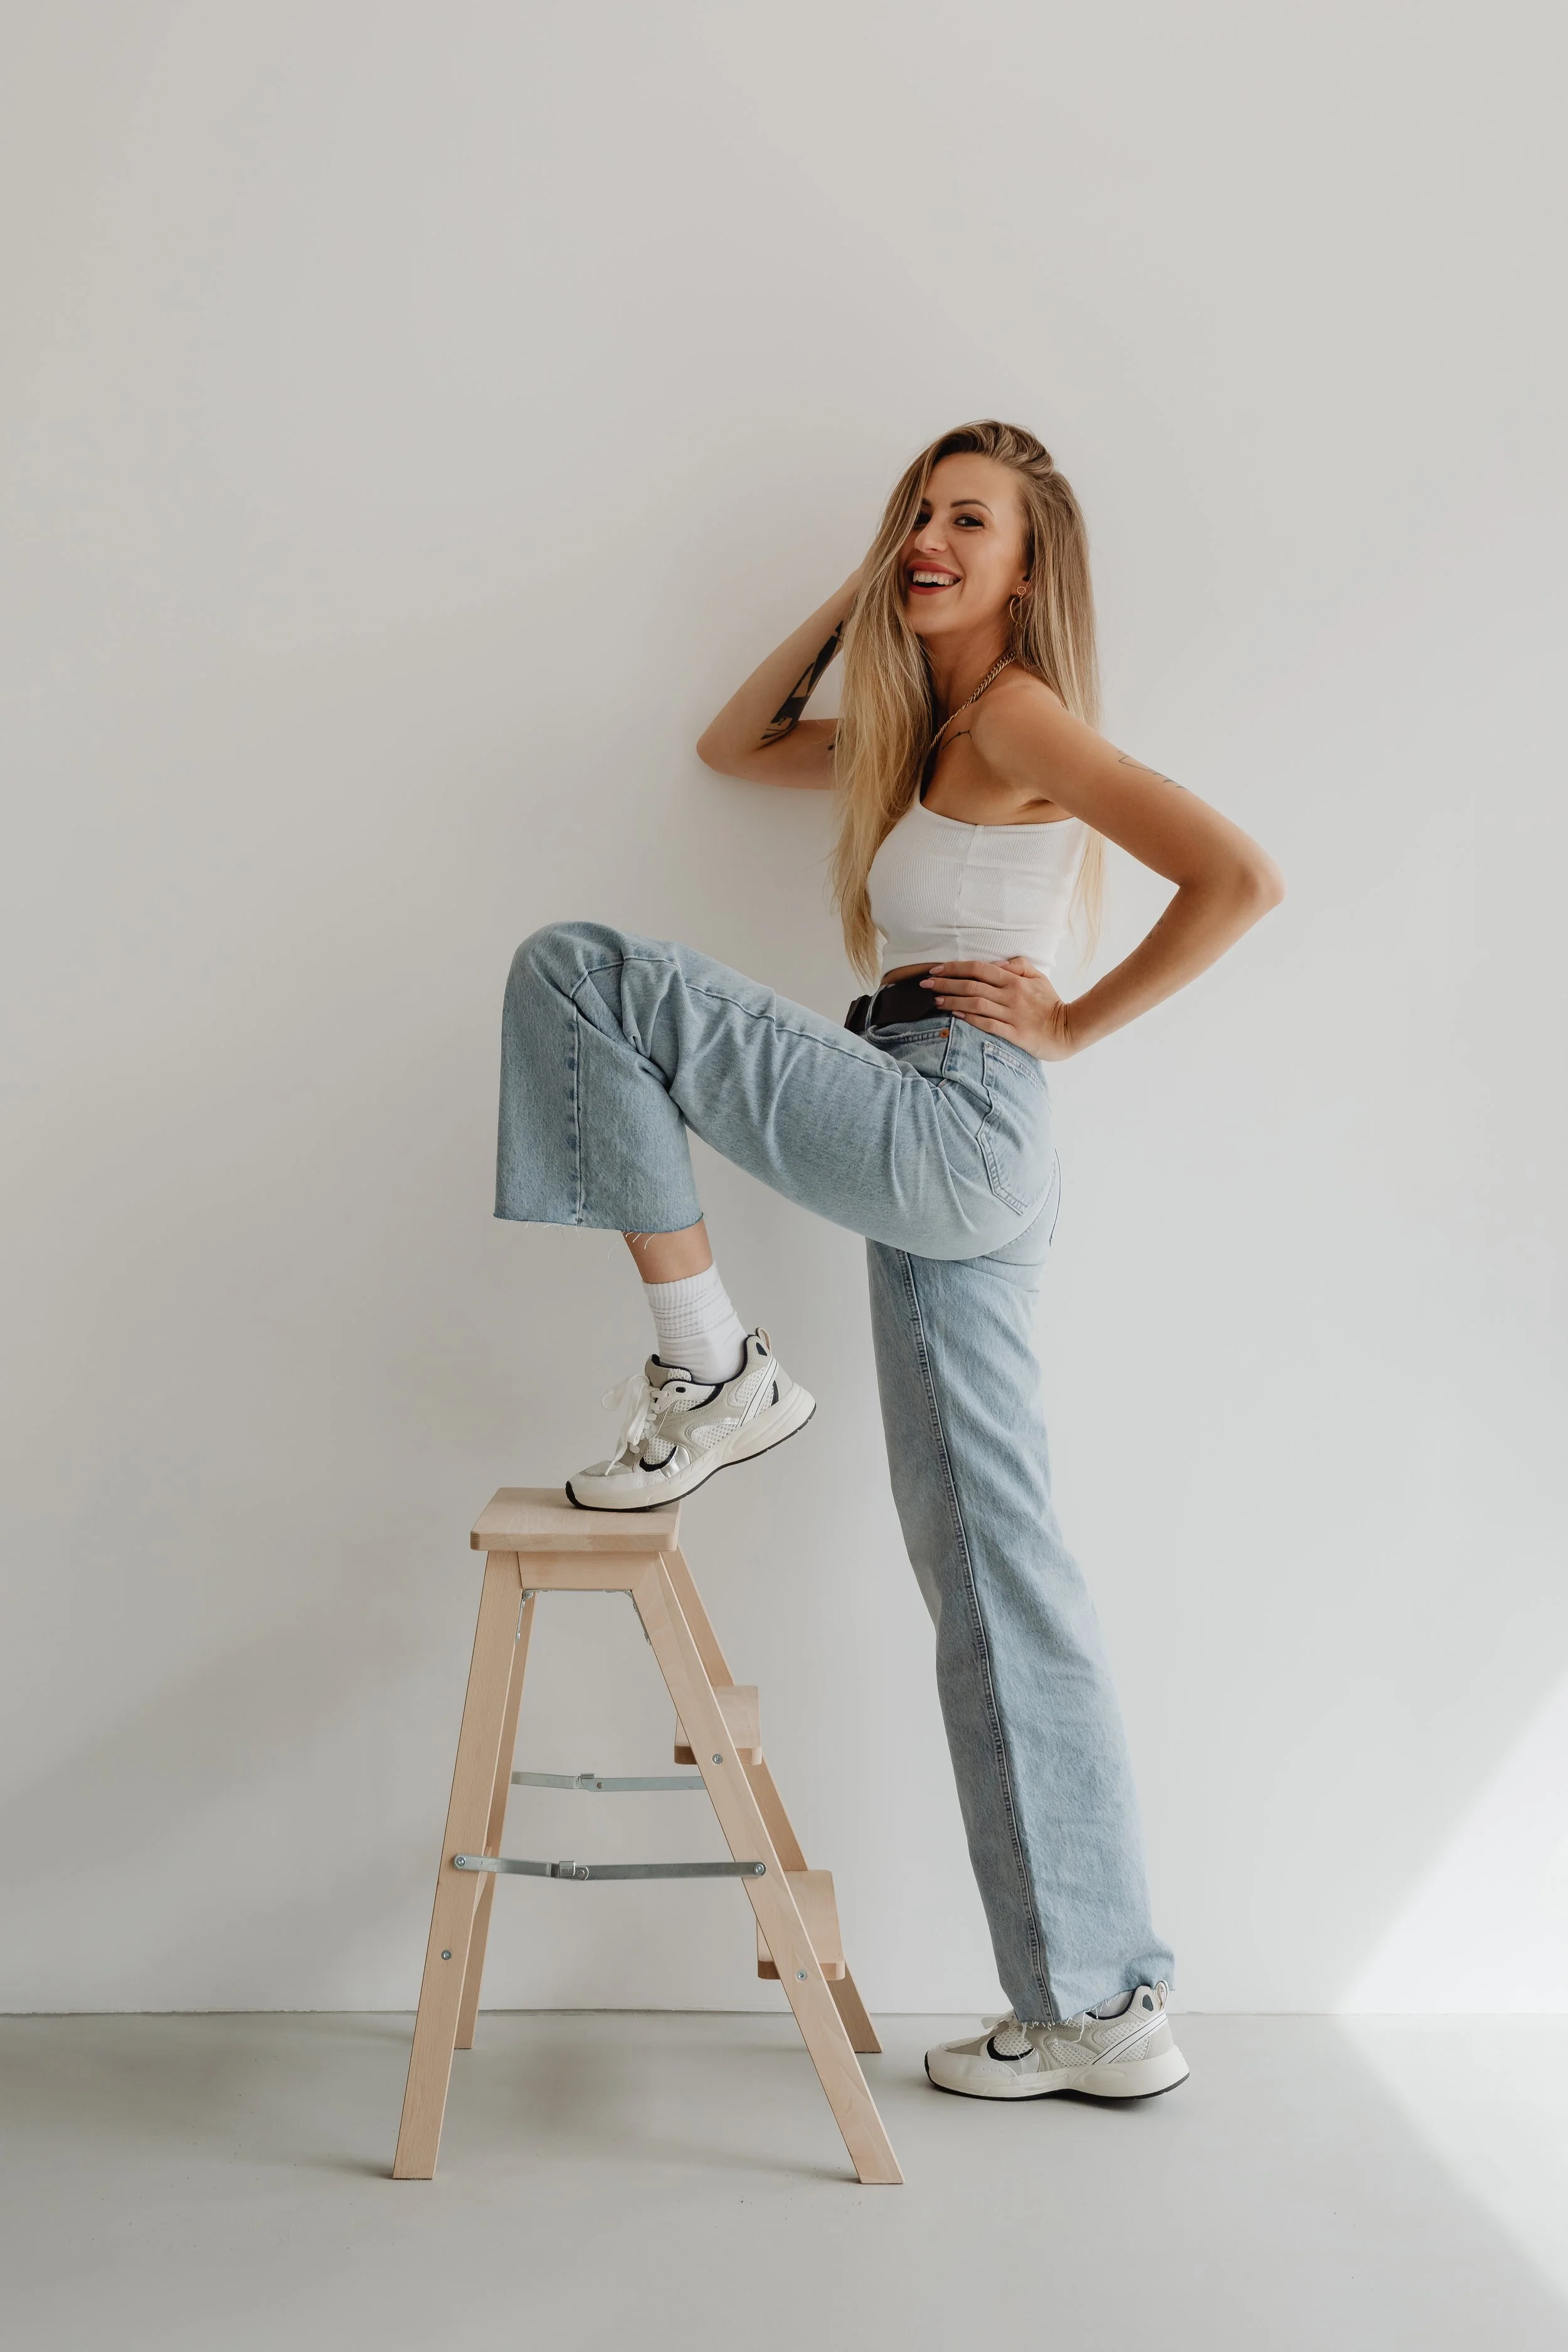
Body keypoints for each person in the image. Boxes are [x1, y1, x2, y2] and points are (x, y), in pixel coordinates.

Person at [495, 419, 1283, 2102]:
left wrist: (1076, 1020)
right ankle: (1098, 2007)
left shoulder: (1017, 719)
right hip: (948, 1138)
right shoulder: (921, 729)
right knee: (991, 1567)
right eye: (918, 514)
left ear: (1030, 564)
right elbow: (732, 743)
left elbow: (1236, 876)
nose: (932, 537)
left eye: (968, 521)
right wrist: (869, 589)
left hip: (953, 1114)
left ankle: (712, 1365)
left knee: (583, 971)